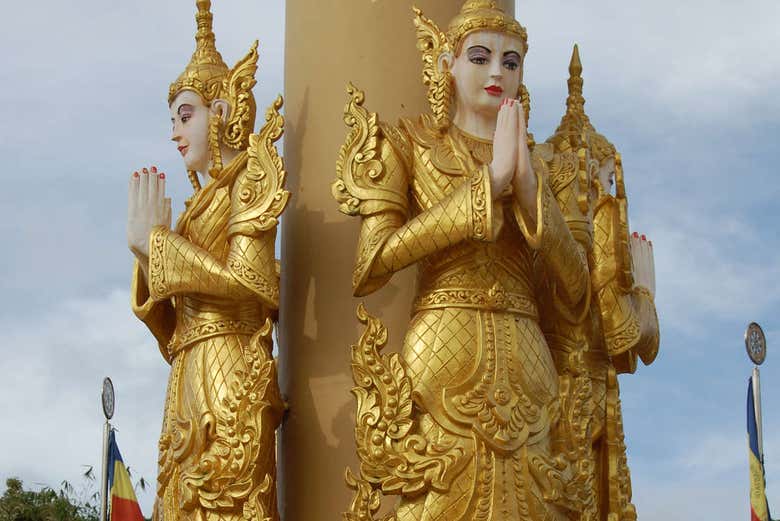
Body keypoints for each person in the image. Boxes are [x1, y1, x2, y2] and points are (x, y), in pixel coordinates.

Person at [334, 2, 595, 519]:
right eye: (480, 57)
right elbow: (371, 264)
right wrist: (485, 188)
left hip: (529, 361)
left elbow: (578, 290)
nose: (497, 72)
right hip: (441, 357)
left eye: (511, 62)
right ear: (446, 63)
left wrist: (528, 191)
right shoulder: (410, 144)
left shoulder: (545, 167)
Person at [126, 2, 288, 520]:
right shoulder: (198, 207)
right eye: (174, 120)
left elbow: (253, 280)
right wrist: (147, 255)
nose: (175, 133)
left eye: (185, 116)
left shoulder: (251, 179)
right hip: (190, 372)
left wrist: (161, 246)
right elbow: (172, 334)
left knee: (227, 500)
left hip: (231, 367)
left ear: (221, 111)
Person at [539, 45, 659, 520]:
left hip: (543, 378)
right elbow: (621, 329)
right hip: (581, 387)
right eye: (604, 181)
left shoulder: (547, 221)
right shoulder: (597, 220)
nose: (606, 192)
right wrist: (645, 295)